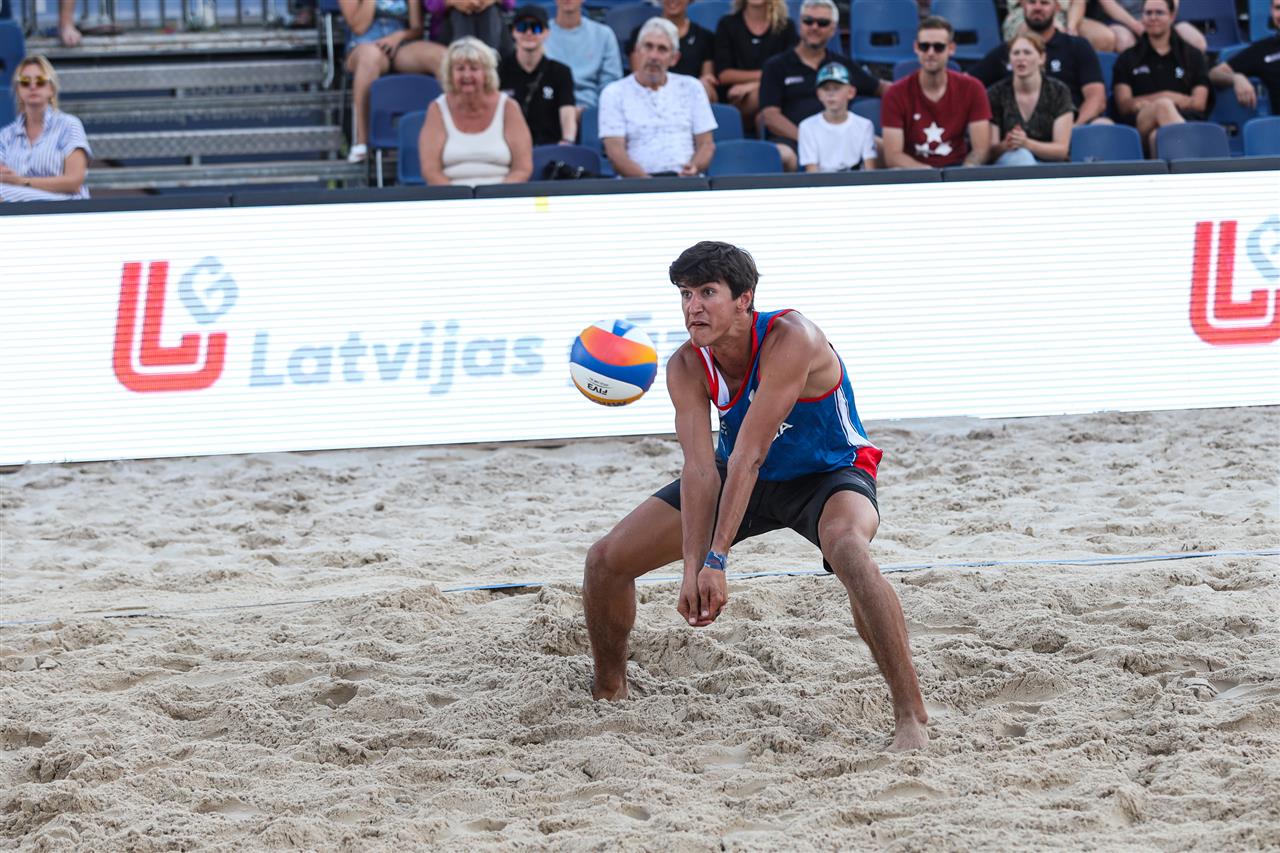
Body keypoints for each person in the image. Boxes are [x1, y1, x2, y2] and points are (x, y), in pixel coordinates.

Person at [582, 241, 929, 753]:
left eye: (707, 292)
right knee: (605, 561)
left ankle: (910, 716)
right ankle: (609, 690)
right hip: (742, 478)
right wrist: (692, 567)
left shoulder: (792, 337)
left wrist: (717, 559)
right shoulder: (686, 364)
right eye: (685, 294)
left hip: (827, 472)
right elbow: (701, 470)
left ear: (744, 299)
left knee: (849, 551)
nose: (693, 307)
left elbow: (750, 453)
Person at [758, 0, 887, 171]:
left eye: (823, 23)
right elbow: (770, 116)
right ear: (799, 24)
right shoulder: (776, 65)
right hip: (793, 139)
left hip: (841, 135)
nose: (814, 27)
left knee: (881, 146)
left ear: (833, 29)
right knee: (782, 155)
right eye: (808, 21)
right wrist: (809, 139)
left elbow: (881, 88)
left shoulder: (842, 65)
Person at [598, 17, 716, 177]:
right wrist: (649, 184)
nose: (654, 56)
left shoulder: (692, 87)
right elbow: (615, 152)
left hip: (685, 181)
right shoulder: (614, 93)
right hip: (636, 184)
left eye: (662, 49)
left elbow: (706, 145)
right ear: (637, 51)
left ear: (674, 58)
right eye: (648, 47)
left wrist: (694, 167)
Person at [971, 0, 1109, 126]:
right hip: (1019, 134)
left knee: (1103, 124)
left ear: (1057, 8)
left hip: (1071, 128)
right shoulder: (1008, 51)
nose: (1037, 7)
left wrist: (1072, 128)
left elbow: (1096, 98)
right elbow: (969, 84)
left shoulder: (1077, 46)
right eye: (1032, 2)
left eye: (1044, 3)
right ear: (1023, 6)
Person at [341, 0, 446, 164]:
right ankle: (362, 141)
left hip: (399, 45)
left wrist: (398, 37)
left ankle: (450, 134)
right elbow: (359, 27)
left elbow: (417, 29)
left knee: (443, 57)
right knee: (369, 58)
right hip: (364, 44)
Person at [419, 37, 533, 185]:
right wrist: (458, 196)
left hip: (501, 194)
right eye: (460, 69)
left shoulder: (508, 107)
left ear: (486, 73)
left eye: (474, 68)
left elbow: (522, 168)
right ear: (450, 74)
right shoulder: (437, 109)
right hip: (452, 195)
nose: (467, 75)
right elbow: (430, 170)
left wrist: (496, 194)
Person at [881, 16, 992, 169]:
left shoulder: (973, 88)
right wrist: (931, 175)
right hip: (913, 172)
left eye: (938, 47)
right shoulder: (895, 93)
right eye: (924, 46)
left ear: (951, 48)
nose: (931, 53)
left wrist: (966, 169)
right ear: (916, 47)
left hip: (958, 169)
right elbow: (893, 156)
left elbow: (981, 149)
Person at [1112, 0, 1210, 155]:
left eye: (1159, 12)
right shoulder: (1127, 58)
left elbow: (1199, 103)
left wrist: (1146, 101)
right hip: (1140, 125)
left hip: (1186, 119)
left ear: (1172, 16)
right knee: (1163, 106)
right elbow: (1124, 105)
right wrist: (1168, 98)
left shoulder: (1192, 55)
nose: (1153, 17)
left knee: (1157, 137)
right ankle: (1192, 160)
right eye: (1148, 13)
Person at [0, 55, 91, 202]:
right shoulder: (6, 135)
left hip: (64, 205)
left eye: (40, 81)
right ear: (18, 90)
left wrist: (23, 182)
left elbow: (74, 181)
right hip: (17, 206)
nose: (33, 86)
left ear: (52, 89)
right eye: (25, 82)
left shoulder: (68, 125)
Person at [986, 32, 1074, 164]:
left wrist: (1026, 143)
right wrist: (1007, 144)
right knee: (1021, 156)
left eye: (1027, 52)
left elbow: (1061, 150)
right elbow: (990, 152)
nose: (1021, 58)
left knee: (1024, 155)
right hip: (1011, 163)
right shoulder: (996, 93)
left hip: (1051, 166)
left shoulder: (1059, 91)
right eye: (1016, 53)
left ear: (1041, 58)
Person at [500, 4, 578, 147]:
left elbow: (567, 111)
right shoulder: (499, 70)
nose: (529, 33)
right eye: (522, 27)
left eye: (536, 28)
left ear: (546, 33)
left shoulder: (561, 72)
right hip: (507, 146)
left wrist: (567, 141)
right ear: (513, 32)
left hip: (549, 147)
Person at [713, 0, 796, 129]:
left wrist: (755, 85)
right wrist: (766, 77)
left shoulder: (786, 26)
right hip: (736, 99)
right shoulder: (727, 24)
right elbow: (724, 75)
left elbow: (791, 69)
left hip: (777, 97)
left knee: (762, 96)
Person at [625, 0, 719, 103]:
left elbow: (707, 78)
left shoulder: (705, 37)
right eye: (649, 46)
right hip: (648, 97)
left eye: (662, 48)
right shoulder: (641, 33)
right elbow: (639, 77)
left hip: (689, 99)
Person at [798, 62, 878, 171]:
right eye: (826, 88)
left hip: (855, 181)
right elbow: (812, 173)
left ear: (851, 92)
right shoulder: (807, 127)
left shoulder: (865, 126)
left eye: (836, 88)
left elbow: (869, 171)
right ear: (818, 94)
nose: (831, 94)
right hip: (822, 182)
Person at [545, 0, 622, 112]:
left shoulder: (604, 35)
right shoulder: (538, 35)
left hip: (592, 111)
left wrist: (589, 112)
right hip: (548, 109)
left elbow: (611, 85)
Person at [1208, 0, 1280, 113]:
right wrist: (1236, 78)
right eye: (1278, 8)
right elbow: (1214, 73)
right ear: (1271, 11)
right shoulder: (1263, 49)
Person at [1078, 0, 1206, 54]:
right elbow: (1108, 4)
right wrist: (1136, 25)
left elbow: (1172, 3)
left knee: (1196, 41)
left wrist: (1161, 20)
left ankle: (1186, 85)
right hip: (1120, 20)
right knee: (1125, 42)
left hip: (1158, 16)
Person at [423, 0, 514, 53]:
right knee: (459, 13)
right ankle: (466, 56)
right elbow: (432, 5)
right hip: (450, 32)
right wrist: (454, 2)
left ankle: (488, 59)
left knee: (491, 10)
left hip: (492, 29)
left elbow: (509, 4)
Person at [1002, 0, 1080, 40]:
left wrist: (1070, 29)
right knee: (1026, 29)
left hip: (1062, 11)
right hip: (1022, 10)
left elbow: (1078, 2)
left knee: (1086, 28)